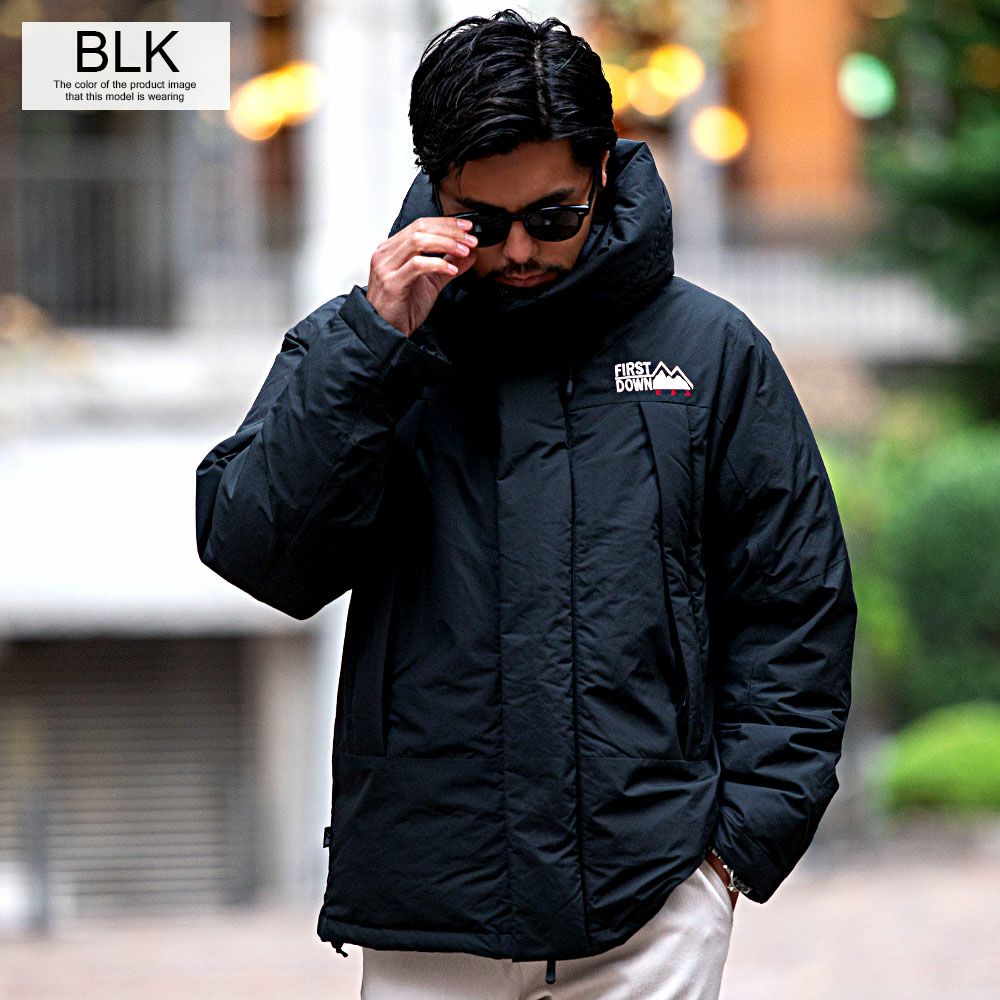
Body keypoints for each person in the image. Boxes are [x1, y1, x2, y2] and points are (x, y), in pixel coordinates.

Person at [194, 10, 857, 1000]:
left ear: (602, 174)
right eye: (482, 220)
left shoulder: (709, 354)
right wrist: (370, 349)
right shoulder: (372, 345)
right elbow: (258, 550)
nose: (516, 250)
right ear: (436, 191)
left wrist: (727, 858)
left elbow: (794, 609)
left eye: (551, 218)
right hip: (428, 915)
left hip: (650, 910)